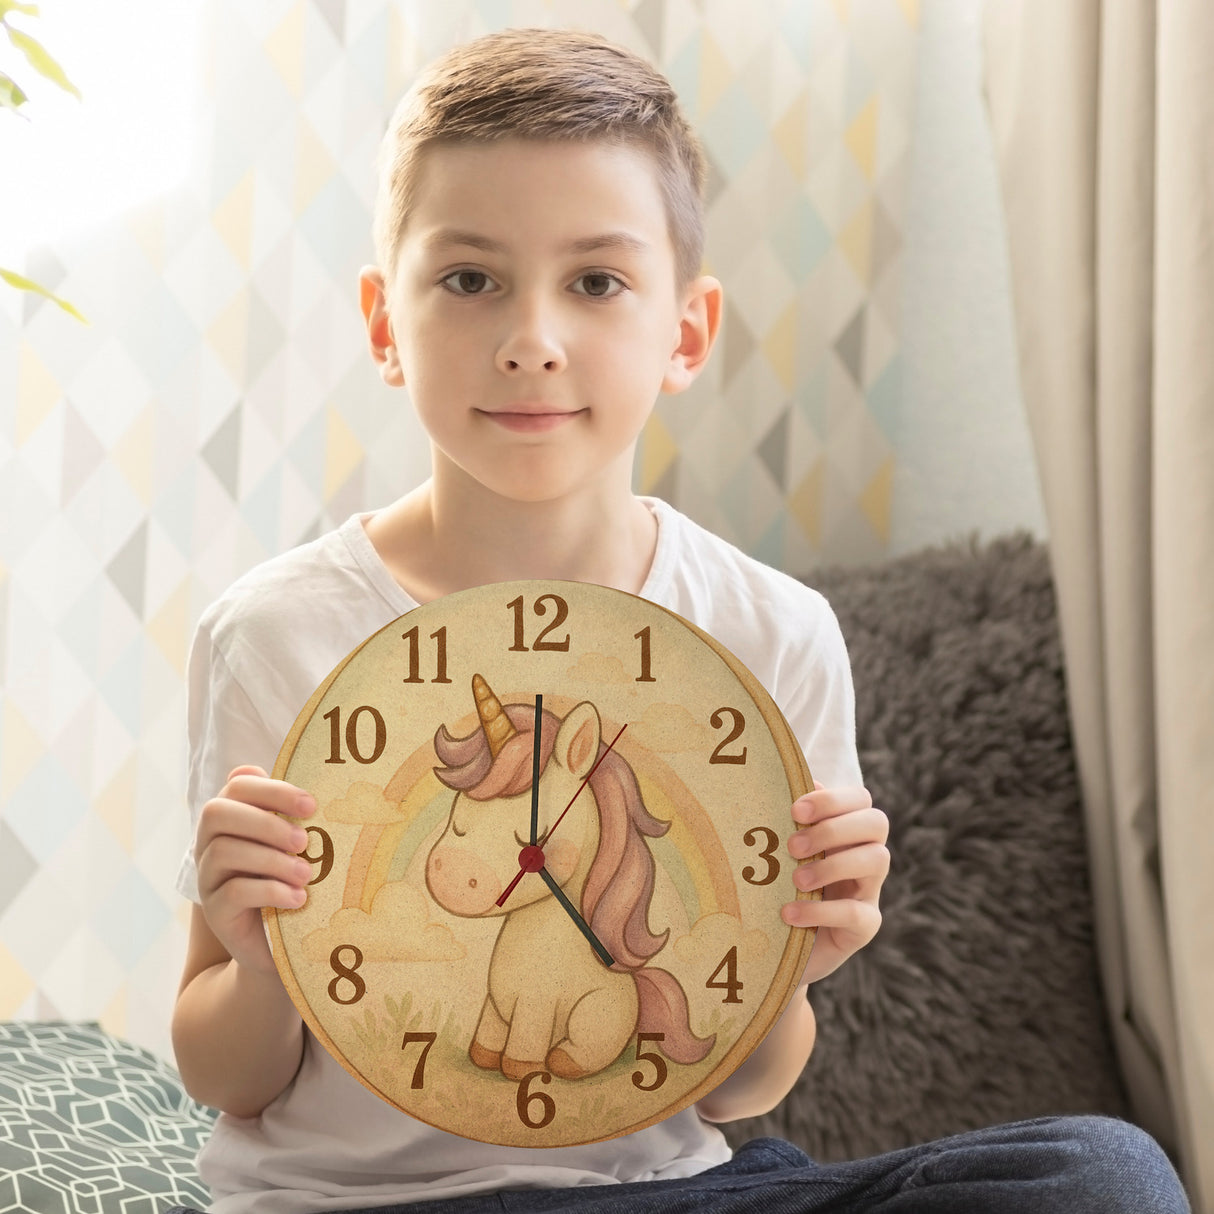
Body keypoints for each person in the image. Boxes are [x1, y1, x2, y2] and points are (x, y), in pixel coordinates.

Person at [169, 26, 1189, 1214]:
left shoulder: (770, 631)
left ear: (686, 330)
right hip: (359, 1205)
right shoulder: (276, 632)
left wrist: (791, 966)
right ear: (385, 322)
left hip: (665, 1192)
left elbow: (734, 1092)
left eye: (595, 281)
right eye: (468, 278)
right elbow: (225, 1074)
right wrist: (257, 959)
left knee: (1099, 1174)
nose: (532, 337)